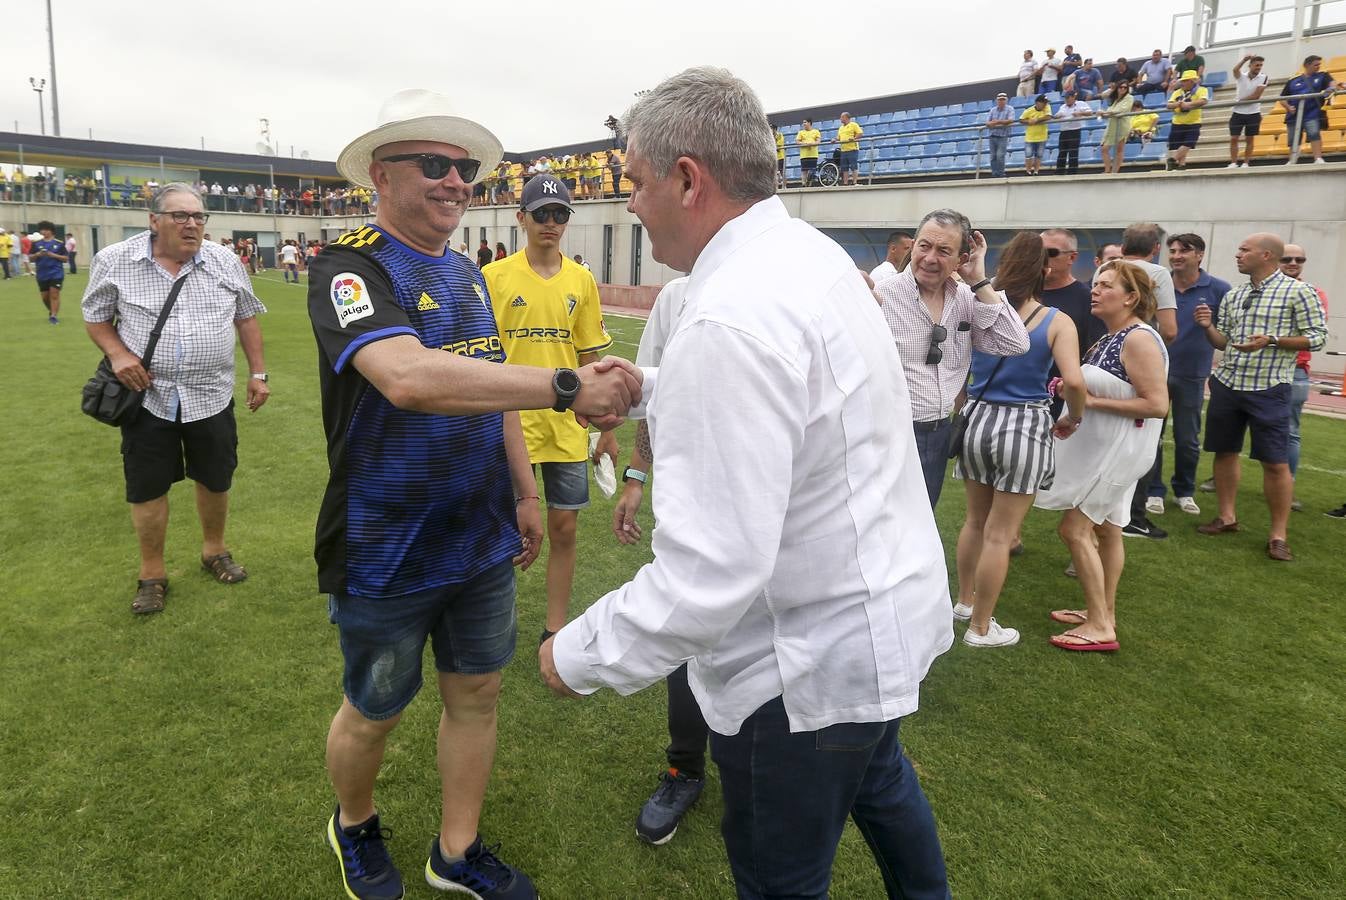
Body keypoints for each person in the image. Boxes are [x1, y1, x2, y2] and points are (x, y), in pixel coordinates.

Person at [541, 65, 953, 900]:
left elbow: (711, 575)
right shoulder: (806, 254)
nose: (629, 203)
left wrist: (575, 655)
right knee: (885, 790)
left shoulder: (731, 313)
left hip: (799, 669)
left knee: (780, 878)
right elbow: (806, 398)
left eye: (635, 182)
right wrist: (657, 382)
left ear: (688, 179)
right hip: (876, 620)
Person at [311, 90, 640, 900]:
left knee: (478, 693)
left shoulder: (464, 272)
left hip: (480, 531)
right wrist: (566, 385)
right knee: (375, 708)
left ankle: (455, 853)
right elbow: (410, 379)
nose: (456, 180)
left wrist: (524, 494)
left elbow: (491, 393)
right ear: (380, 176)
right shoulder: (349, 267)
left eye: (463, 168)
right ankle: (353, 825)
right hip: (387, 537)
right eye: (434, 165)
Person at [81, 183, 270, 615]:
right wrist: (118, 354)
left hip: (212, 394)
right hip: (147, 396)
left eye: (199, 217)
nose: (192, 225)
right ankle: (152, 574)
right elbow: (96, 317)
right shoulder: (116, 261)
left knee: (215, 477)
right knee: (147, 487)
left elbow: (246, 317)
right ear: (154, 220)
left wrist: (258, 373)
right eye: (180, 216)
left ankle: (214, 551)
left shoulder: (224, 260)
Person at [484, 174, 617, 644]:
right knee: (501, 531)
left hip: (564, 428)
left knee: (564, 529)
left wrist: (606, 430)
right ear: (521, 218)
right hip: (507, 427)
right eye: (541, 213)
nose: (551, 222)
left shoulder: (581, 280)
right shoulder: (494, 278)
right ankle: (489, 627)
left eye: (560, 214)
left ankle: (554, 628)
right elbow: (482, 361)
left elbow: (589, 359)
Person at [606, 276, 711, 846]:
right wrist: (637, 478)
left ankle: (756, 770)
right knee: (685, 627)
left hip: (779, 507)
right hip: (687, 499)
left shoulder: (791, 279)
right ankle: (685, 769)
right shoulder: (676, 297)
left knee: (765, 639)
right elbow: (651, 399)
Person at [952, 233, 1086, 648]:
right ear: (1045, 270)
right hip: (1023, 425)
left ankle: (963, 601)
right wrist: (1072, 417)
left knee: (975, 521)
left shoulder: (981, 308)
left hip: (976, 419)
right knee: (1000, 532)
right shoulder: (1057, 320)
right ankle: (981, 626)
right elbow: (1075, 382)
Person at [1035, 260, 1170, 651]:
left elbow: (1157, 405)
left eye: (1106, 285)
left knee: (1074, 529)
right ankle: (1102, 611)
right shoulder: (1113, 335)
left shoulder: (1139, 339)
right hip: (1110, 449)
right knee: (1108, 531)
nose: (1095, 290)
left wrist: (1090, 401)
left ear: (1131, 297)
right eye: (1096, 283)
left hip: (1120, 452)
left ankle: (1099, 627)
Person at [877, 208, 1030, 507]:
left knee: (921, 526)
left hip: (937, 433)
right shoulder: (883, 295)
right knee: (882, 526)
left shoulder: (966, 298)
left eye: (944, 250)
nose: (930, 258)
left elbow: (1015, 342)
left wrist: (980, 281)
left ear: (962, 259)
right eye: (924, 246)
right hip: (888, 433)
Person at [1193, 233, 1328, 561]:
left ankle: (1278, 535)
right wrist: (1208, 327)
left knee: (1275, 462)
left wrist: (1271, 340)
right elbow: (1223, 342)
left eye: (1244, 250)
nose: (1237, 254)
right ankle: (1227, 517)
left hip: (1269, 388)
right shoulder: (1235, 294)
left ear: (1266, 255)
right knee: (1224, 452)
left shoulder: (1299, 291)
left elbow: (1317, 338)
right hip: (1227, 383)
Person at [1144, 234, 1230, 517]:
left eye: (1184, 250)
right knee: (1151, 434)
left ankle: (1184, 490)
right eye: (1173, 250)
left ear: (1200, 255)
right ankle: (1153, 490)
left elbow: (1224, 338)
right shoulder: (1156, 282)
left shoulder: (1218, 289)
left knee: (1188, 438)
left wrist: (1207, 325)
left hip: (1192, 374)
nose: (1177, 255)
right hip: (1155, 371)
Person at [1113, 223, 1178, 539]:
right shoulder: (1159, 274)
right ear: (1156, 247)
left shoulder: (1110, 268)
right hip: (1137, 364)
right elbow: (1170, 329)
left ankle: (1107, 513)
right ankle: (1132, 516)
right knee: (1144, 439)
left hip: (1108, 361)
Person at [1277, 244, 1328, 509]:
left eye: (1300, 259)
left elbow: (1315, 336)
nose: (1294, 263)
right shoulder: (1258, 291)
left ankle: (1288, 486)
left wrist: (1273, 340)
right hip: (1256, 369)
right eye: (1287, 258)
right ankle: (1221, 478)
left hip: (1295, 370)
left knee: (1290, 431)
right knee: (1238, 425)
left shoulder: (1312, 293)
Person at [1279, 55, 1342, 165]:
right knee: (1293, 139)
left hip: (1312, 112)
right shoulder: (1293, 80)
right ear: (1307, 65)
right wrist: (1288, 107)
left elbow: (1332, 84)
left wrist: (1331, 89)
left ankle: (1318, 158)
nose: (1318, 67)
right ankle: (1292, 160)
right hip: (1294, 115)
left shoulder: (1323, 75)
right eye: (1316, 64)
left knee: (1314, 134)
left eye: (1319, 64)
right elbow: (1282, 98)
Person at [1229, 55, 1269, 168]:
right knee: (1233, 138)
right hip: (1237, 112)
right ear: (1250, 65)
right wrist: (1244, 59)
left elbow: (1256, 96)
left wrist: (1239, 101)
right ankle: (1233, 163)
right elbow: (1235, 70)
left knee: (1249, 139)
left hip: (1253, 113)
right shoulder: (1242, 76)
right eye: (1257, 65)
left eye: (1261, 65)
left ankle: (1246, 163)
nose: (1259, 67)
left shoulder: (1264, 77)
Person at [1165, 71, 1209, 171]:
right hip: (1178, 122)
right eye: (1182, 81)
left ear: (1193, 81)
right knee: (1180, 145)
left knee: (1189, 143)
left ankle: (1173, 159)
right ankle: (1182, 164)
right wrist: (1178, 104)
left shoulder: (1201, 90)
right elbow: (1168, 105)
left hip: (1193, 122)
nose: (1183, 83)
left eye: (1186, 81)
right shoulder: (1177, 92)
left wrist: (1189, 105)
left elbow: (1203, 101)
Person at [31, 221, 68, 324]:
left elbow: (65, 258)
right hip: (42, 274)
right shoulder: (36, 244)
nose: (44, 231)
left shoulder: (59, 243)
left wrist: (53, 255)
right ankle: (52, 310)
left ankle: (53, 316)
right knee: (45, 297)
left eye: (46, 229)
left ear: (51, 231)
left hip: (56, 273)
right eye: (42, 229)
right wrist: (38, 255)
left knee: (54, 294)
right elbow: (30, 258)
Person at [1053, 90, 1095, 175]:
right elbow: (1057, 115)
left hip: (1074, 130)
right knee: (1062, 152)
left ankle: (1072, 172)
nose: (1066, 100)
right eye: (1065, 98)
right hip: (1064, 131)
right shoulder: (1063, 107)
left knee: (1073, 152)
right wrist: (1057, 116)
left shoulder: (1081, 104)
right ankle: (1059, 171)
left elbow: (1090, 112)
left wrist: (1080, 113)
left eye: (1068, 97)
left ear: (1073, 97)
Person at [1100, 81, 1135, 173]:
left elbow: (1122, 110)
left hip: (1122, 125)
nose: (1123, 89)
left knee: (1119, 149)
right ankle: (1107, 170)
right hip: (1112, 125)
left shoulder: (1129, 98)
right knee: (1104, 148)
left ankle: (1115, 171)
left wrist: (1106, 113)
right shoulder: (1115, 99)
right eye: (1121, 87)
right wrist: (1103, 113)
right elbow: (1110, 110)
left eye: (1125, 87)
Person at [1020, 95, 1052, 175]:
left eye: (1045, 103)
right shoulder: (1029, 111)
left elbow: (1048, 117)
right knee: (1028, 154)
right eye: (1043, 103)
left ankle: (1036, 171)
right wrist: (1028, 122)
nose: (1045, 104)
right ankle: (1028, 171)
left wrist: (1036, 120)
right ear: (1037, 103)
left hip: (1042, 136)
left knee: (1039, 155)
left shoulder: (1047, 107)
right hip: (1030, 137)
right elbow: (1021, 119)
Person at [986, 92, 1014, 177]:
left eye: (1003, 100)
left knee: (1000, 155)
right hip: (992, 135)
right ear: (997, 101)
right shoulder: (992, 110)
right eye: (999, 100)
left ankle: (1001, 173)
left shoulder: (1010, 109)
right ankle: (995, 174)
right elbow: (987, 122)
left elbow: (1010, 120)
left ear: (1006, 100)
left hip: (1003, 135)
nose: (1001, 101)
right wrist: (992, 123)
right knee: (993, 157)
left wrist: (996, 122)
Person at [836, 111, 863, 185]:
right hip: (844, 150)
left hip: (852, 149)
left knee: (853, 166)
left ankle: (854, 182)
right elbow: (838, 137)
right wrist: (834, 139)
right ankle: (845, 183)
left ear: (846, 118)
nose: (840, 118)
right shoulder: (841, 128)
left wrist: (854, 138)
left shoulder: (853, 125)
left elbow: (860, 133)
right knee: (844, 168)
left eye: (842, 117)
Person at [796, 118, 822, 186]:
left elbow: (818, 141)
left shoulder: (816, 131)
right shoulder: (801, 132)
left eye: (805, 122)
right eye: (803, 122)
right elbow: (797, 142)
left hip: (813, 154)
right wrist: (805, 144)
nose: (803, 124)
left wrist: (812, 144)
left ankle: (810, 184)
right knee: (804, 170)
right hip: (804, 155)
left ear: (809, 123)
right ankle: (803, 184)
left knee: (812, 170)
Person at [773, 123, 786, 187]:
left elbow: (779, 145)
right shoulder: (770, 136)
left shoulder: (779, 135)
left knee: (782, 172)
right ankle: (776, 186)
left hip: (780, 156)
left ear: (774, 129)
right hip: (773, 157)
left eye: (771, 129)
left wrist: (773, 145)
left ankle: (785, 186)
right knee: (775, 173)